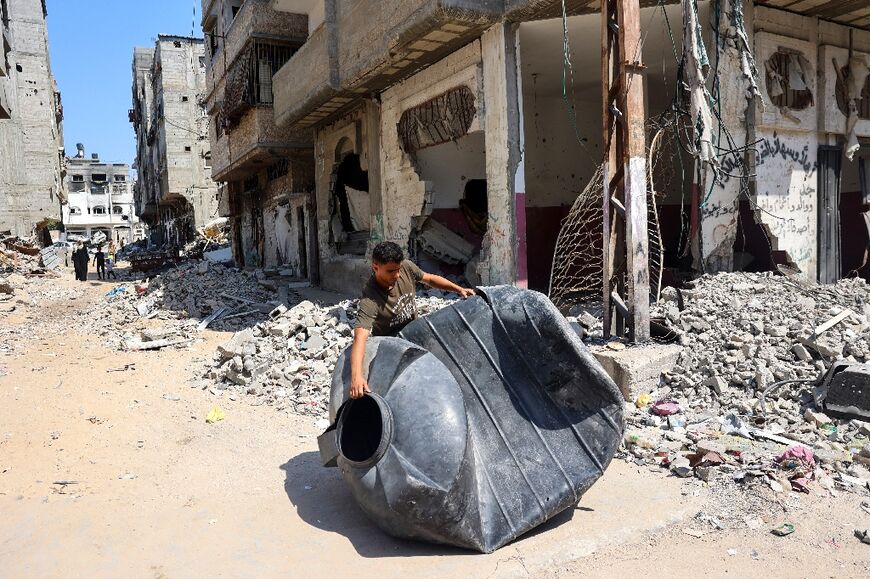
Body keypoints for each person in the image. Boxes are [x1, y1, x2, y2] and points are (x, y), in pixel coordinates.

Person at [349, 241, 474, 399]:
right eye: (391, 271)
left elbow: (429, 279)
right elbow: (360, 338)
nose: (397, 275)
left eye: (398, 269)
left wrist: (459, 289)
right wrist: (356, 377)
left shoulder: (406, 267)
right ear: (375, 267)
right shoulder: (370, 298)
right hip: (393, 348)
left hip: (416, 336)